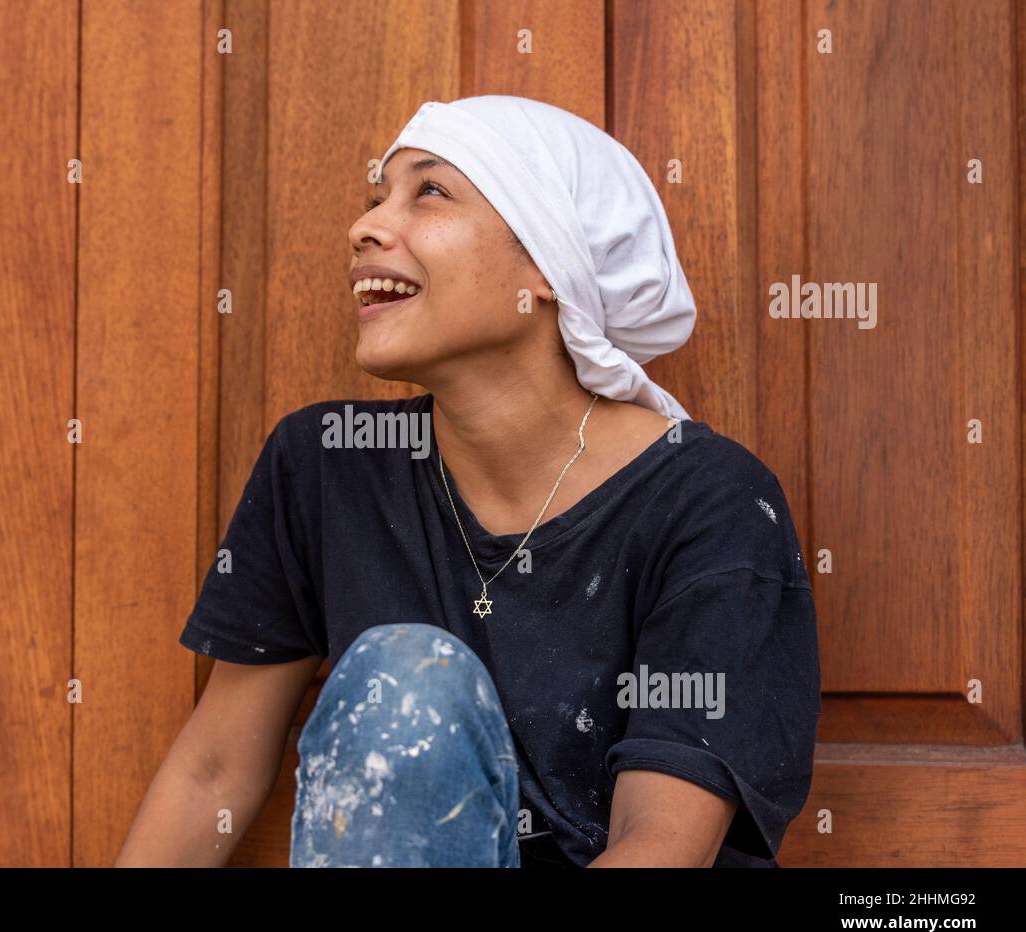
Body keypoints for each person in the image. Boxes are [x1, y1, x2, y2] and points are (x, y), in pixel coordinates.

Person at [116, 95, 821, 868]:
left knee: (408, 681)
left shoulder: (712, 504)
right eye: (375, 196)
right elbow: (213, 770)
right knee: (407, 679)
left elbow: (660, 844)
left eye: (429, 191)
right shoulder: (323, 465)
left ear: (547, 268)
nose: (366, 226)